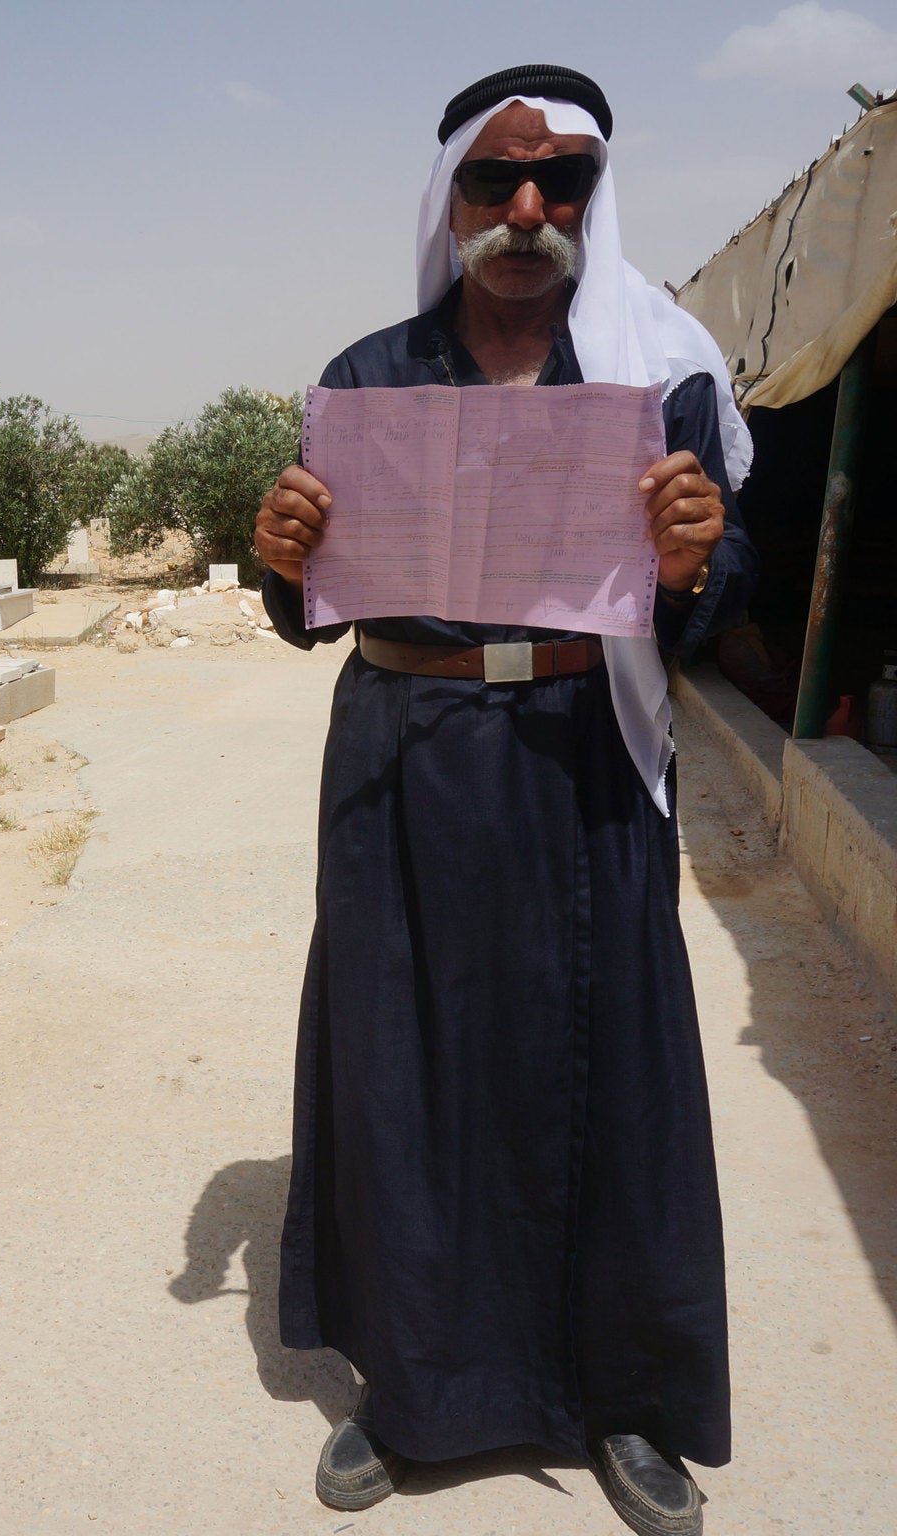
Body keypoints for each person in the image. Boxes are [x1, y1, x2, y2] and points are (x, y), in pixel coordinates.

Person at [252, 64, 756, 1536]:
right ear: (452, 200)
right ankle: (407, 1400)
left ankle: (630, 1405)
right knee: (401, 1068)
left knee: (611, 1066)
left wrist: (693, 559)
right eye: (496, 182)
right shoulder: (364, 380)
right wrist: (279, 554)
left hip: (584, 752)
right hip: (404, 755)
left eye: (564, 186)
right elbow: (307, 613)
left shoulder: (659, 381)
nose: (528, 211)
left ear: (595, 204)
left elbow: (723, 605)